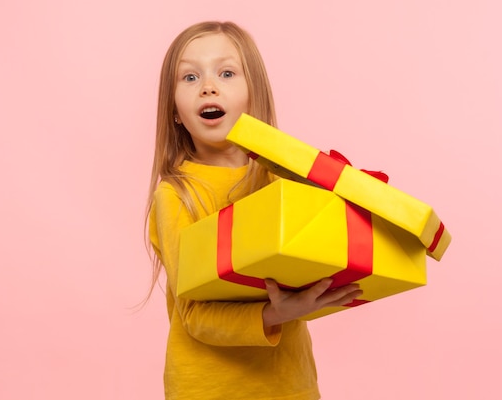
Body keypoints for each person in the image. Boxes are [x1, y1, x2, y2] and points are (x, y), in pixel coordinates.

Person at [145, 21, 363, 400]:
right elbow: (195, 316)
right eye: (190, 77)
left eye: (226, 73)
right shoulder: (177, 194)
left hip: (290, 386)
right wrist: (278, 313)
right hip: (207, 389)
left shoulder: (284, 180)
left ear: (253, 95)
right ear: (175, 112)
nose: (208, 86)